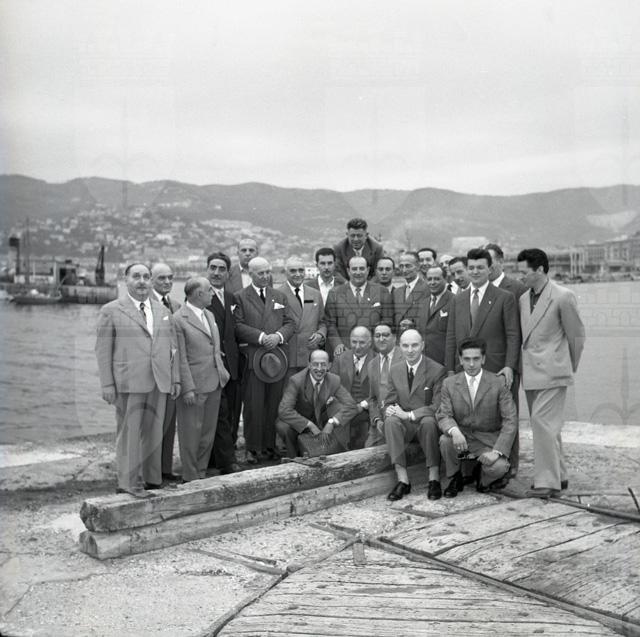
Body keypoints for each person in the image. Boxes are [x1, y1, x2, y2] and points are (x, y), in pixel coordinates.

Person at [95, 263, 180, 498]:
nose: (141, 281)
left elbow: (172, 348)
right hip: (128, 381)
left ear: (151, 281)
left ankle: (153, 480)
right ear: (126, 280)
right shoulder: (111, 310)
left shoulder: (163, 311)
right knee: (129, 433)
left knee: (155, 432)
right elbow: (102, 350)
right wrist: (107, 384)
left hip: (159, 380)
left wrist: (175, 379)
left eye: (145, 276)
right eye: (136, 276)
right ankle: (127, 483)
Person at [517, 248, 585, 497]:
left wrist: (567, 366)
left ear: (540, 270)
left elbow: (577, 336)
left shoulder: (563, 296)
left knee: (542, 423)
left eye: (524, 272)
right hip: (531, 374)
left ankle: (547, 482)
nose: (520, 276)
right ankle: (560, 476)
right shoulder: (523, 299)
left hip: (553, 372)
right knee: (548, 427)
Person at [437, 337, 517, 498]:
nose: (471, 364)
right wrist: (455, 431)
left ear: (483, 359)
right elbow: (444, 414)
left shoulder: (498, 383)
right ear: (460, 360)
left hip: (487, 441)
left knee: (500, 467)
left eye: (476, 359)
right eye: (467, 359)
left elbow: (510, 420)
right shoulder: (449, 383)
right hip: (462, 440)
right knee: (445, 441)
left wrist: (497, 451)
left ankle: (483, 478)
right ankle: (455, 477)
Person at [234, 256, 295, 464]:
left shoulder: (279, 296)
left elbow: (290, 323)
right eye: (261, 273)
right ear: (250, 273)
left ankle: (269, 445)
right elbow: (238, 325)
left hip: (277, 360)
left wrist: (278, 336)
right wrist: (261, 337)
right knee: (253, 405)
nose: (265, 276)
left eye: (268, 272)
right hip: (253, 360)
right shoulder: (240, 297)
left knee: (273, 404)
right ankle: (253, 447)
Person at [173, 277, 230, 482]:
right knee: (190, 434)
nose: (213, 294)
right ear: (199, 294)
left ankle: (201, 472)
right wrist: (187, 388)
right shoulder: (179, 319)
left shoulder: (209, 314)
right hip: (194, 386)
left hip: (214, 382)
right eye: (209, 291)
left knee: (207, 433)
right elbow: (180, 357)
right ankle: (190, 477)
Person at [384, 329, 446, 501]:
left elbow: (437, 406)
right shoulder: (395, 370)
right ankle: (402, 480)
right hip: (404, 427)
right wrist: (388, 409)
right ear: (399, 347)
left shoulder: (437, 370)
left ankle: (434, 478)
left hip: (425, 424)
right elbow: (389, 400)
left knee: (428, 422)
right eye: (405, 346)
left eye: (414, 345)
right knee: (390, 421)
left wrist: (410, 415)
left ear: (422, 346)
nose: (410, 350)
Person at [276, 350, 358, 459]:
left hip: (320, 419)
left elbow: (351, 405)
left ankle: (334, 453)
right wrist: (309, 424)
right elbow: (284, 410)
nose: (319, 369)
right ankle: (293, 458)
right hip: (299, 420)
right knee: (284, 427)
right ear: (309, 364)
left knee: (338, 408)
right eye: (315, 364)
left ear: (329, 366)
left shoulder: (334, 380)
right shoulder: (296, 381)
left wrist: (332, 422)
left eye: (323, 364)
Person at [205, 251, 242, 474]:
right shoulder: (199, 297)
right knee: (218, 414)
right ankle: (226, 462)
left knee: (231, 414)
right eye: (213, 268)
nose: (217, 273)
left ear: (228, 273)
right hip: (213, 365)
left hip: (233, 366)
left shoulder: (231, 298)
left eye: (222, 269)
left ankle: (219, 458)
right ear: (207, 269)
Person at [150, 262, 182, 481]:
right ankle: (149, 473)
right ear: (151, 280)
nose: (167, 282)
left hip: (171, 373)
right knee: (151, 424)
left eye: (170, 277)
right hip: (153, 374)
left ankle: (164, 468)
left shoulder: (176, 305)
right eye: (162, 278)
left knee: (169, 423)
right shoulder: (146, 305)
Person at [324, 256, 393, 356]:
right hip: (345, 351)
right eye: (354, 269)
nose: (358, 272)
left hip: (374, 352)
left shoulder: (382, 291)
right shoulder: (335, 293)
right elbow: (330, 323)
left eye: (361, 268)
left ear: (368, 270)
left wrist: (379, 346)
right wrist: (338, 344)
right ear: (348, 271)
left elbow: (387, 322)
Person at [278, 256, 326, 377]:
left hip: (311, 355)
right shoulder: (277, 295)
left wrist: (320, 334)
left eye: (301, 270)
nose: (298, 274)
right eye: (293, 271)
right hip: (289, 357)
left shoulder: (315, 294)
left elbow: (322, 322)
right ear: (285, 273)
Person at [330, 326, 375, 450]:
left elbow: (380, 392)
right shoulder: (340, 359)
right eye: (354, 342)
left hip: (366, 408)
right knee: (337, 410)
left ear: (370, 343)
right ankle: (341, 451)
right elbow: (332, 385)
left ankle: (343, 451)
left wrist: (362, 405)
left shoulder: (378, 361)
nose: (357, 346)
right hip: (344, 405)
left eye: (362, 342)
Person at [366, 322, 402, 447]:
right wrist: (377, 420)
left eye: (386, 335)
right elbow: (372, 398)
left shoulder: (406, 357)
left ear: (395, 338)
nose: (381, 339)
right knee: (368, 450)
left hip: (399, 419)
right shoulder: (371, 364)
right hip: (379, 422)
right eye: (377, 336)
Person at [416, 265, 453, 366]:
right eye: (429, 279)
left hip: (444, 364)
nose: (432, 282)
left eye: (436, 279)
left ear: (445, 279)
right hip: (423, 362)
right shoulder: (422, 303)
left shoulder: (455, 301)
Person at [393, 252, 429, 332]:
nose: (404, 270)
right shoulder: (397, 292)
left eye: (408, 266)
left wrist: (413, 323)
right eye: (401, 266)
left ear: (418, 266)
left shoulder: (428, 289)